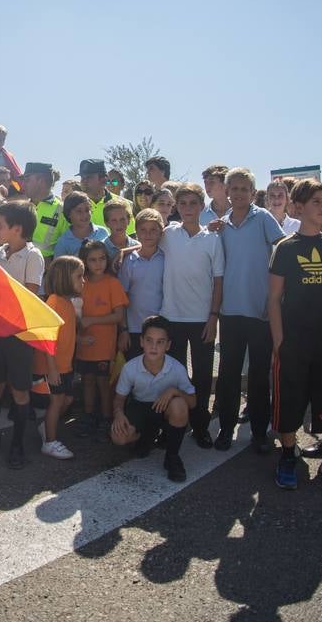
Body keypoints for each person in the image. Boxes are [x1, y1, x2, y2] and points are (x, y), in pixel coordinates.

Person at [267, 178, 322, 491]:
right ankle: (288, 455)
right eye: (316, 202)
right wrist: (279, 341)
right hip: (293, 342)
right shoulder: (285, 248)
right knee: (289, 401)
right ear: (298, 207)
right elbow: (274, 299)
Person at [214, 167, 285, 453]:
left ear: (253, 193)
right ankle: (226, 430)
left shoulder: (264, 218)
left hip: (261, 311)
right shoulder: (221, 225)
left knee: (258, 376)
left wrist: (277, 299)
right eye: (235, 188)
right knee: (229, 375)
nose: (240, 193)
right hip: (230, 312)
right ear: (227, 192)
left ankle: (258, 432)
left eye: (245, 189)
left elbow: (282, 251)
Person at [0, 200, 45, 469]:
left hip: (19, 336)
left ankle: (17, 442)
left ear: (17, 228)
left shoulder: (32, 256)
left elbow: (29, 296)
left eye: (1, 225)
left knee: (19, 390)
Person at [159, 182, 223, 449]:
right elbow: (145, 244)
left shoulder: (213, 239)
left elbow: (218, 281)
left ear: (201, 206)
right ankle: (174, 424)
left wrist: (213, 316)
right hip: (171, 317)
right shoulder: (167, 234)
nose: (187, 209)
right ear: (176, 207)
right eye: (182, 204)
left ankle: (200, 425)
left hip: (201, 319)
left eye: (193, 204)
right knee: (174, 375)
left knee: (203, 376)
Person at [110, 315, 196, 481]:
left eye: (160, 342)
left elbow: (193, 402)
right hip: (140, 407)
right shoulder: (130, 368)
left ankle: (172, 458)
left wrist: (174, 391)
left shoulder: (176, 368)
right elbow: (119, 399)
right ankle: (145, 437)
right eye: (149, 340)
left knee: (179, 405)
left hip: (164, 410)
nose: (154, 347)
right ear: (141, 341)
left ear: (168, 345)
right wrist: (118, 414)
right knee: (118, 437)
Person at [76, 238, 128, 439]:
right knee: (87, 381)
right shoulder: (80, 283)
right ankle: (89, 416)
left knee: (103, 383)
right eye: (92, 260)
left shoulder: (112, 283)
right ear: (85, 262)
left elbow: (118, 316)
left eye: (101, 259)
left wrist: (92, 321)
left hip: (104, 345)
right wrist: (81, 328)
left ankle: (106, 419)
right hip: (84, 345)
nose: (98, 264)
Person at [36, 255, 83, 460]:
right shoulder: (55, 302)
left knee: (67, 398)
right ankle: (50, 442)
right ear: (65, 278)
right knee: (57, 402)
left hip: (65, 364)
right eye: (79, 276)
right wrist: (52, 368)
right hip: (55, 366)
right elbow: (48, 338)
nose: (83, 281)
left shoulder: (67, 302)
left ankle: (46, 425)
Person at [118, 209, 165, 359]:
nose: (148, 234)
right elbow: (122, 299)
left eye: (153, 230)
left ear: (161, 232)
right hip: (134, 328)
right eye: (143, 230)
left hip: (161, 327)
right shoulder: (129, 260)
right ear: (136, 232)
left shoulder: (166, 258)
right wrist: (124, 330)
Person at [20, 162, 67, 260]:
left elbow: (68, 246)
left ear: (41, 181)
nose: (23, 184)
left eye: (27, 180)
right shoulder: (21, 207)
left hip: (47, 272)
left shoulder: (62, 210)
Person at [53, 191, 109, 259]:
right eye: (79, 211)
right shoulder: (63, 242)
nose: (84, 215)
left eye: (87, 210)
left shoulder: (103, 232)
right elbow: (59, 268)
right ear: (68, 213)